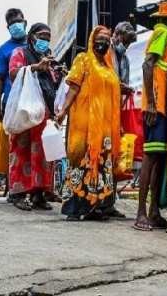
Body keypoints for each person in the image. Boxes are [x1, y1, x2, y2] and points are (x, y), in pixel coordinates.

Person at [56, 25, 121, 221]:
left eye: (107, 39)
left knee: (102, 166)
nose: (103, 42)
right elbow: (73, 88)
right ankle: (75, 208)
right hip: (84, 124)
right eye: (100, 38)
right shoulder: (83, 59)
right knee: (80, 161)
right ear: (93, 39)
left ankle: (96, 207)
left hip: (105, 128)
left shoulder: (109, 67)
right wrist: (63, 111)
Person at [134, 1, 167, 231]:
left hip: (159, 106)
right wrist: (151, 102)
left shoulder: (165, 34)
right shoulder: (164, 33)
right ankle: (141, 213)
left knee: (158, 159)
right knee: (150, 159)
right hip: (155, 106)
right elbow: (147, 65)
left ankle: (152, 212)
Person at [7, 23, 59, 211]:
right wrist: (35, 67)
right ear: (31, 37)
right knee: (22, 149)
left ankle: (38, 194)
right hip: (25, 110)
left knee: (42, 153)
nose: (44, 41)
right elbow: (13, 73)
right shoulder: (20, 53)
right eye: (41, 37)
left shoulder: (49, 57)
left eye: (47, 38)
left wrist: (57, 72)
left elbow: (52, 83)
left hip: (44, 110)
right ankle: (18, 193)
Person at [0, 8, 28, 199]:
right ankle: (13, 187)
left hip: (34, 103)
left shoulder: (34, 44)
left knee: (33, 146)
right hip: (12, 103)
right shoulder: (3, 50)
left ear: (25, 22)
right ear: (7, 27)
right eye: (11, 23)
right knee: (14, 146)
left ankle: (34, 190)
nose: (16, 25)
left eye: (18, 21)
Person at [113, 21, 137, 87]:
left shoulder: (125, 60)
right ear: (116, 35)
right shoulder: (106, 53)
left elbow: (125, 82)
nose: (126, 46)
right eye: (125, 41)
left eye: (129, 43)